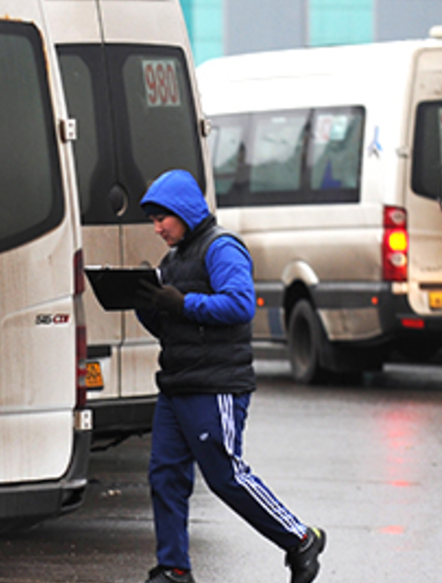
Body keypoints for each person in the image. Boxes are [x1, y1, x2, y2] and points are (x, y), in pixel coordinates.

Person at [134, 169, 326, 583]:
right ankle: (174, 569)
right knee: (165, 475)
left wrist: (181, 302)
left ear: (182, 211)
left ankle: (300, 539)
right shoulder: (173, 260)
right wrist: (146, 304)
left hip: (215, 385)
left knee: (226, 476)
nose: (157, 228)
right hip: (177, 384)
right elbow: (175, 327)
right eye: (152, 220)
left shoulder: (222, 248)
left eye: (161, 218)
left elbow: (240, 306)